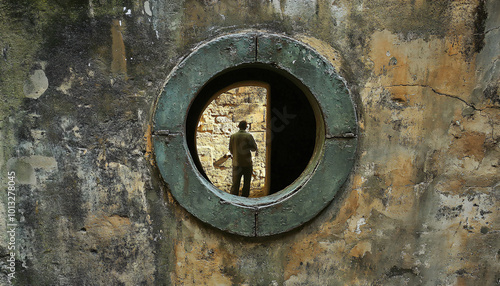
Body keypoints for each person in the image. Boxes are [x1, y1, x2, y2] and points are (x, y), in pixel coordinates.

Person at [229, 120, 257, 197]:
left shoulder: (233, 136)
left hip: (236, 163)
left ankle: (233, 199)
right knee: (246, 183)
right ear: (246, 126)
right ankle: (244, 199)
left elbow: (231, 149)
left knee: (235, 184)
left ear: (238, 126)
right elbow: (254, 148)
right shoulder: (249, 136)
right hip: (247, 163)